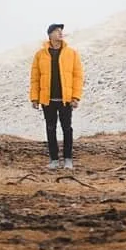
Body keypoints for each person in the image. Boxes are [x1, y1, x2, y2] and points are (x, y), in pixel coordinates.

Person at [29, 22, 83, 171]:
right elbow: (35, 77)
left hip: (66, 99)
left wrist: (76, 97)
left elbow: (78, 76)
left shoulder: (71, 53)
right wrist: (34, 98)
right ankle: (53, 159)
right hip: (48, 100)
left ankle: (68, 159)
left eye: (61, 31)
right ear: (50, 34)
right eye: (57, 31)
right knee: (50, 129)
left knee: (67, 129)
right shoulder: (40, 55)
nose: (60, 33)